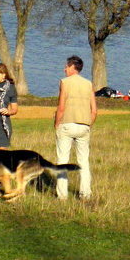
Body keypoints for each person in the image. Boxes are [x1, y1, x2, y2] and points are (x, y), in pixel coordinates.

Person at [54, 55, 97, 200]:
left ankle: (62, 195)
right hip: (84, 125)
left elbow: (61, 106)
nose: (64, 69)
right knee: (83, 161)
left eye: (66, 66)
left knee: (62, 160)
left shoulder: (65, 82)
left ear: (72, 67)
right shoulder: (88, 83)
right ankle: (85, 194)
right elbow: (94, 110)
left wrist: (57, 124)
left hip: (67, 123)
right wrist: (88, 124)